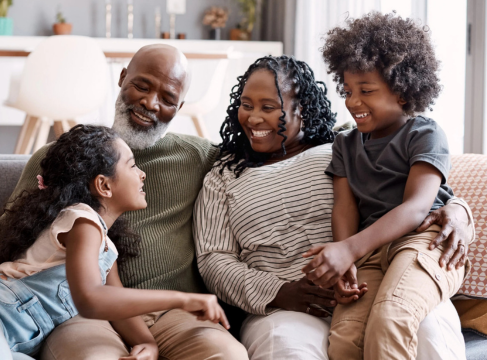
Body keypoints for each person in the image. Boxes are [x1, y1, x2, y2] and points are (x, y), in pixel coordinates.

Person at [194, 55, 475, 360]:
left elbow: (420, 194)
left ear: (302, 108)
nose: (253, 118)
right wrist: (279, 291)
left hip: (376, 278)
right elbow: (213, 260)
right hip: (286, 308)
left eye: (269, 107)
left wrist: (459, 209)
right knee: (289, 349)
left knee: (428, 329)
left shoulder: (341, 144)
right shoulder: (222, 176)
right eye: (246, 105)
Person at [0, 44, 248, 360]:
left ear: (179, 108)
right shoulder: (63, 164)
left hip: (165, 316)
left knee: (226, 355)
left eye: (167, 99)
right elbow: (1, 237)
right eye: (142, 85)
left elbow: (259, 157)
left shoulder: (197, 157)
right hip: (76, 317)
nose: (149, 103)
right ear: (123, 77)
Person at [301, 12, 471, 360]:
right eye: (348, 90)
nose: (353, 101)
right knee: (346, 339)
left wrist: (349, 250)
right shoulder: (345, 144)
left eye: (367, 91)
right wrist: (346, 256)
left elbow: (416, 208)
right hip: (371, 252)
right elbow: (344, 207)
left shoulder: (424, 133)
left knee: (391, 318)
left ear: (404, 93)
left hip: (424, 241)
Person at [0, 125, 228, 360]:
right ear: (104, 185)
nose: (142, 173)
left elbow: (114, 301)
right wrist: (183, 299)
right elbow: (91, 299)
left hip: (15, 339)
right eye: (132, 166)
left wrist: (147, 343)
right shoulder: (82, 221)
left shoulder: (105, 246)